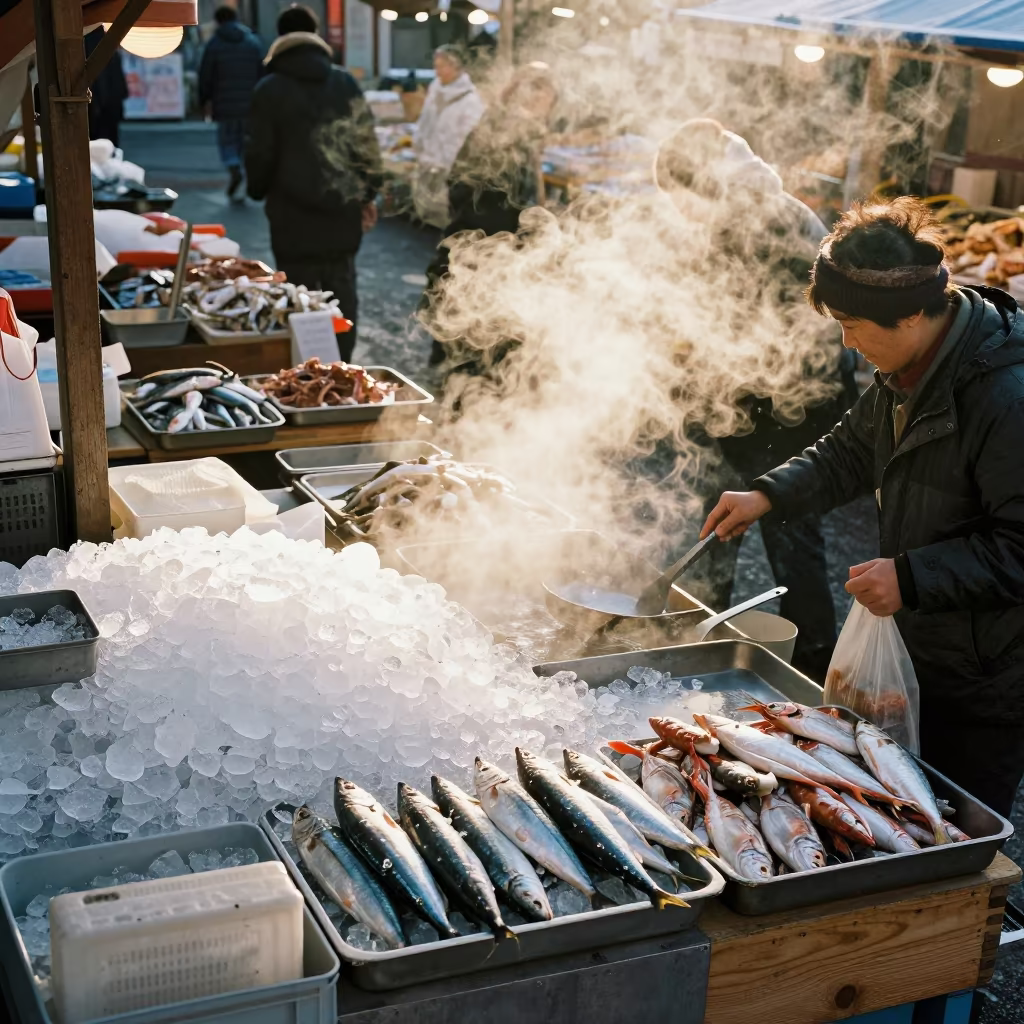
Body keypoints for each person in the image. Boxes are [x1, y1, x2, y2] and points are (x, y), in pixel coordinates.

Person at [702, 196, 1024, 818]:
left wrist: (910, 576)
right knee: (888, 811)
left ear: (905, 316)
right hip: (922, 649)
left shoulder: (1005, 397)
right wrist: (768, 492)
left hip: (989, 680)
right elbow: (849, 451)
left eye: (852, 324)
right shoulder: (911, 368)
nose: (847, 343)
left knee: (953, 830)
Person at [654, 119, 858, 680]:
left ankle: (812, 663)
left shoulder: (758, 220)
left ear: (704, 181)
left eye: (681, 197)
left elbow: (752, 334)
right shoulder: (747, 206)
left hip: (789, 407)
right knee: (724, 519)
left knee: (789, 530)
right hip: (752, 405)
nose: (680, 211)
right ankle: (705, 632)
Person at [245, 7, 382, 359]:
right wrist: (368, 194)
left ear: (279, 39)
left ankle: (305, 373)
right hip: (342, 213)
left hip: (292, 217)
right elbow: (367, 145)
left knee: (298, 297)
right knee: (342, 294)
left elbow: (260, 153)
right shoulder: (345, 82)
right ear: (317, 36)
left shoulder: (269, 89)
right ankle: (343, 369)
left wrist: (257, 188)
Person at [422, 63, 557, 367]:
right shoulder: (500, 131)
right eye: (537, 100)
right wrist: (523, 233)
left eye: (546, 102)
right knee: (474, 356)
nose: (542, 109)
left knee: (483, 356)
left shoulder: (520, 134)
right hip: (481, 259)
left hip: (492, 257)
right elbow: (468, 192)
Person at [412, 46, 485, 228]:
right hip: (427, 165)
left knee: (447, 220)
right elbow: (425, 121)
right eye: (435, 66)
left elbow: (470, 140)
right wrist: (418, 146)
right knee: (426, 216)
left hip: (449, 170)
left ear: (456, 67)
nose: (437, 71)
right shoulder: (434, 88)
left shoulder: (472, 101)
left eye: (442, 66)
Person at [198, 6, 264, 199]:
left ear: (218, 21)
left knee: (228, 141)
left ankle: (233, 167)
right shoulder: (253, 42)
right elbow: (263, 74)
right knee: (246, 141)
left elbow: (206, 76)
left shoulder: (214, 44)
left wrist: (204, 101)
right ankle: (245, 169)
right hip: (250, 105)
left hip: (224, 105)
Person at [84, 28, 128, 148]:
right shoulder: (110, 51)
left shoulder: (84, 51)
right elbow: (119, 85)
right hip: (109, 108)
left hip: (92, 107)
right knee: (109, 144)